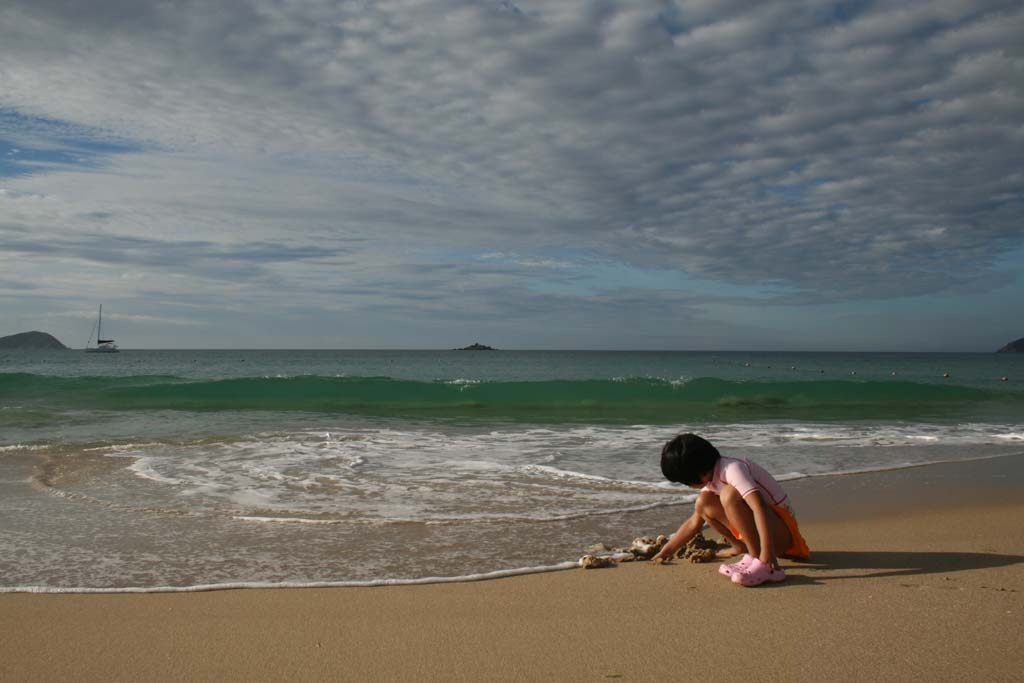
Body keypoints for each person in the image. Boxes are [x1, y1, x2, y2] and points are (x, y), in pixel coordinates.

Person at [651, 433, 810, 586]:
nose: (688, 485)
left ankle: (758, 561)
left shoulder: (733, 469)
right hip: (768, 535)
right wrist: (668, 550)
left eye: (686, 481)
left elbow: (759, 506)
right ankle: (741, 548)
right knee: (703, 502)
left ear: (700, 470)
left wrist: (767, 554)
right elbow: (694, 522)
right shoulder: (713, 478)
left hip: (784, 536)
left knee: (729, 494)